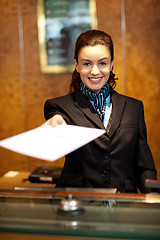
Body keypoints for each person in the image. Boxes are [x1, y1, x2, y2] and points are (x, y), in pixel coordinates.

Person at [43, 30, 157, 193]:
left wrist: (153, 196)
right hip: (79, 205)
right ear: (76, 65)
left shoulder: (134, 108)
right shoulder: (59, 107)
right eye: (87, 63)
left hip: (123, 206)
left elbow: (144, 166)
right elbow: (56, 137)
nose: (95, 71)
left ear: (111, 64)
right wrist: (55, 129)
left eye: (102, 63)